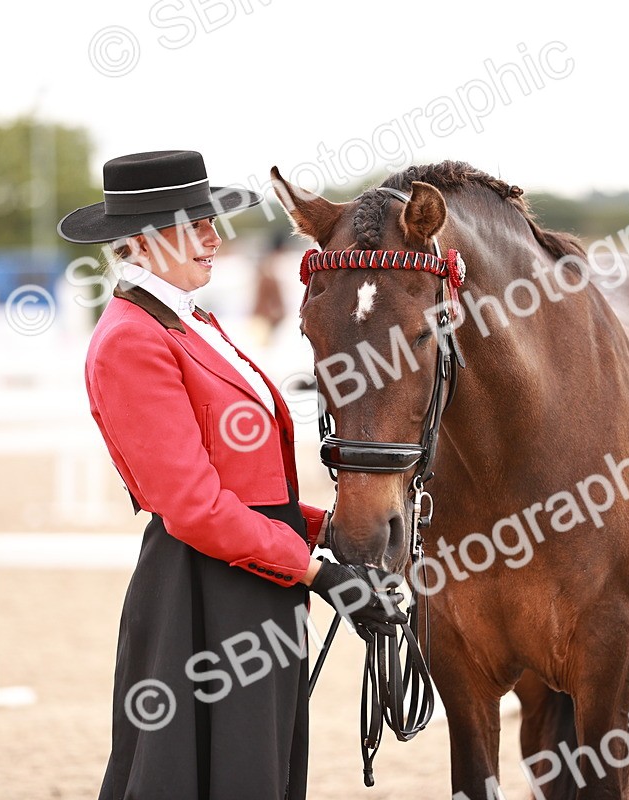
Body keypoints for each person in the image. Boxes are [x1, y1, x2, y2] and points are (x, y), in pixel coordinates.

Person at [57, 150, 405, 800]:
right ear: (139, 242)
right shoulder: (132, 339)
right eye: (192, 224)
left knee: (261, 773)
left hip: (254, 579)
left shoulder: (194, 322)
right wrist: (316, 572)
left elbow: (249, 489)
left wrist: (327, 530)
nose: (213, 236)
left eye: (210, 220)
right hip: (204, 594)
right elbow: (192, 506)